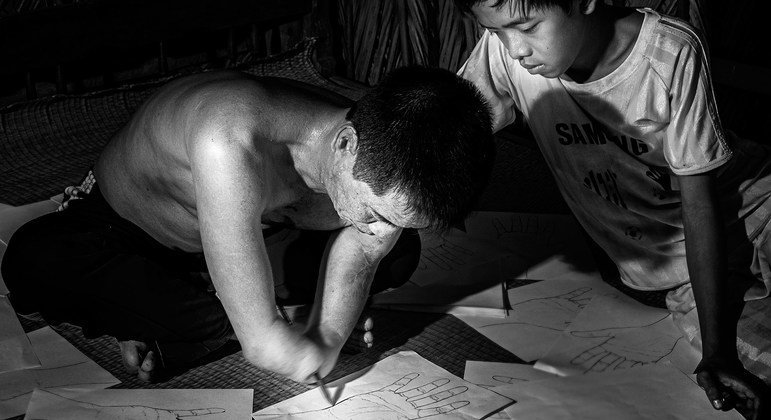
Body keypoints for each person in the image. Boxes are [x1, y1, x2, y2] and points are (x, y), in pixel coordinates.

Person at [1, 66, 495, 383]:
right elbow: (263, 344)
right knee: (33, 262)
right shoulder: (230, 139)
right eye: (376, 212)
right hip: (131, 234)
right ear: (345, 145)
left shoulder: (378, 152)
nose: (379, 228)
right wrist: (295, 346)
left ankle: (182, 318)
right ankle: (197, 313)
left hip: (252, 234)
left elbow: (367, 249)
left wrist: (325, 338)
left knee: (403, 253)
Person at [455, 0, 771, 418]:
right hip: (680, 270)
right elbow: (448, 132)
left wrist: (717, 351)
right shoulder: (505, 53)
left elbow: (700, 206)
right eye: (496, 32)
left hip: (753, 206)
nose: (514, 49)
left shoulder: (668, 53)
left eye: (527, 27)